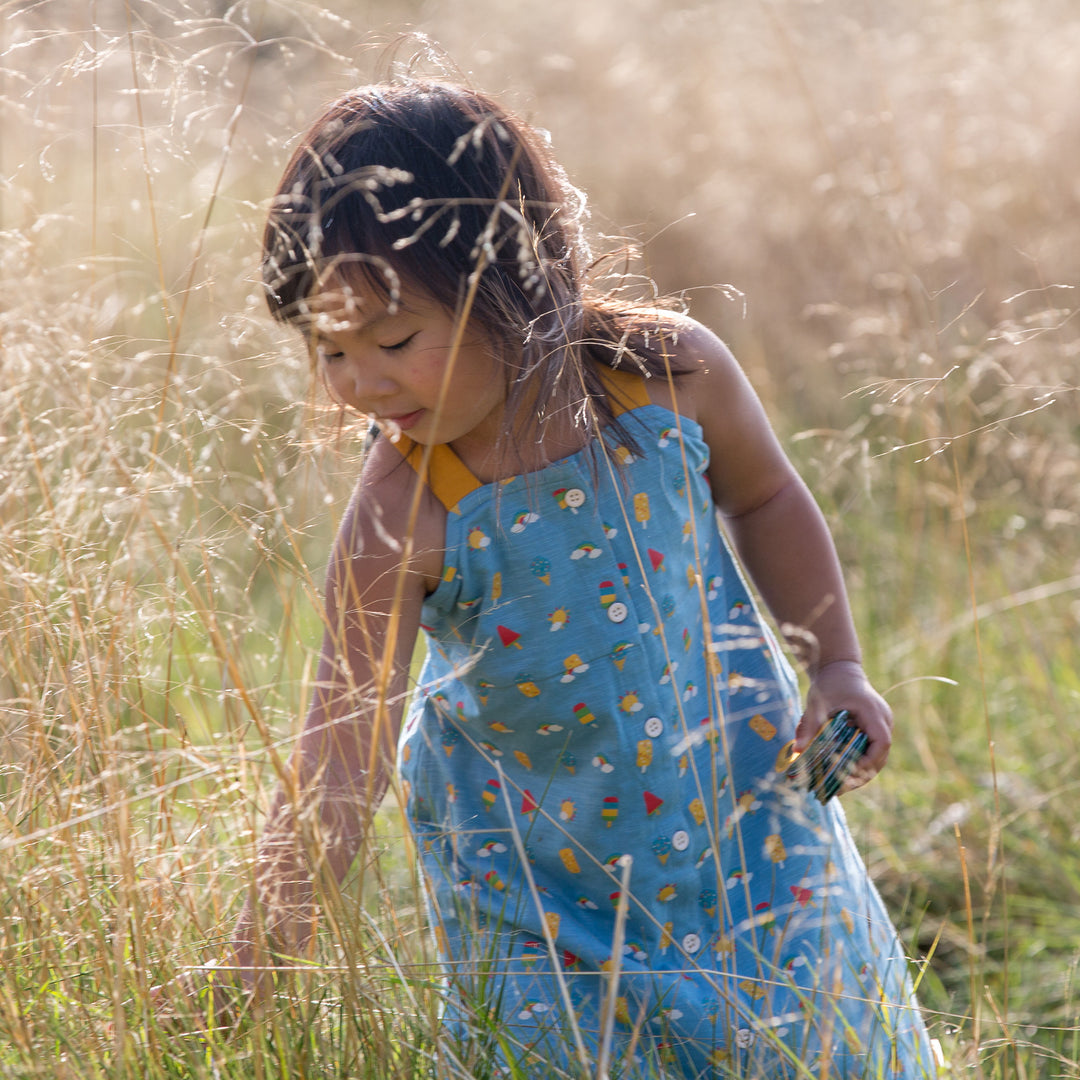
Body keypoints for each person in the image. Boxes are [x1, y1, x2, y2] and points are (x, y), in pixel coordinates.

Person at [226, 79, 937, 1077]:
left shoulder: (668, 376)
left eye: (391, 343)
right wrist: (261, 958)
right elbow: (340, 752)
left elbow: (769, 499)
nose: (358, 384)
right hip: (539, 891)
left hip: (746, 824)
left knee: (818, 1043)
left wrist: (837, 667)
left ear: (517, 279)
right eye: (327, 349)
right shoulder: (406, 509)